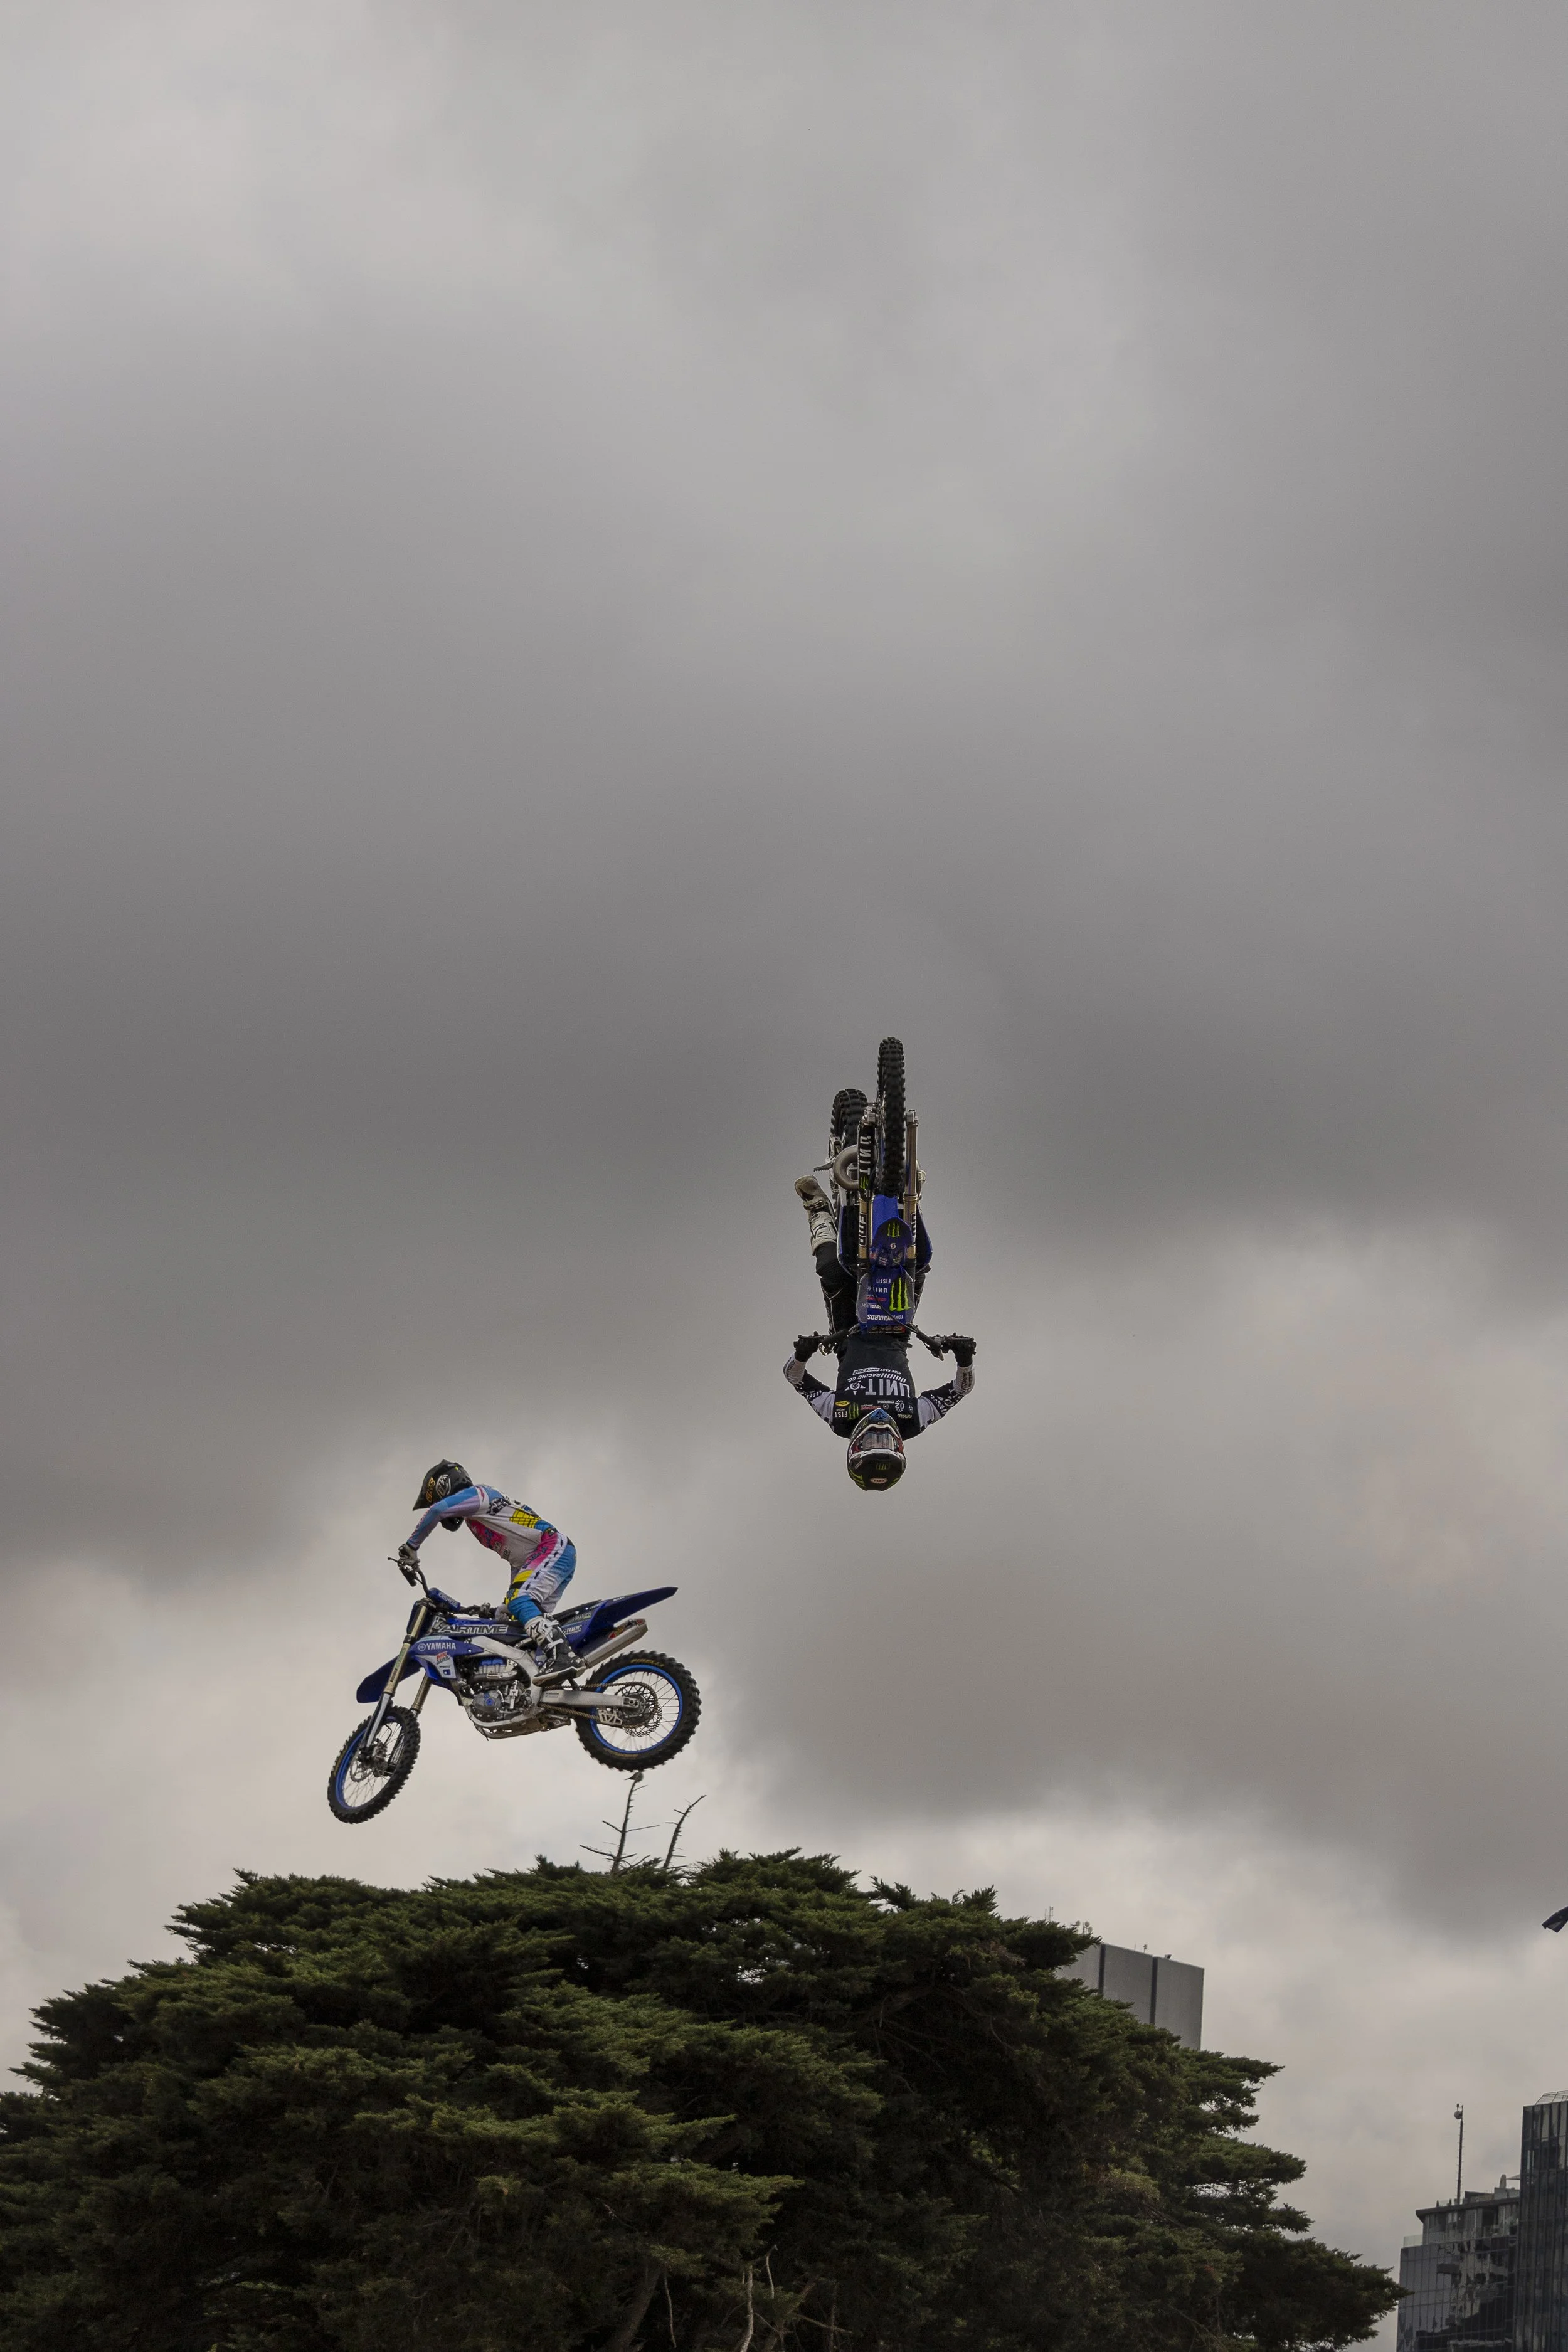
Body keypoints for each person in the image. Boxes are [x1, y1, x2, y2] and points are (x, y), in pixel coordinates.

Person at [785, 1175, 975, 1489]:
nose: (880, 1431)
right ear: (900, 1446)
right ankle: (911, 1203)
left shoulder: (839, 1419)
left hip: (848, 1328)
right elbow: (961, 1389)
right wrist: (964, 1359)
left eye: (872, 1440)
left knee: (831, 1268)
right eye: (887, 1442)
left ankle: (817, 1211)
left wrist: (802, 1354)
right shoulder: (913, 1421)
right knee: (918, 1264)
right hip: (897, 1325)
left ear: (854, 1445)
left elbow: (794, 1377)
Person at [393, 1459, 578, 1680]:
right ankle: (542, 1685)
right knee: (519, 1625)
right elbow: (519, 1560)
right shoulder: (477, 1519)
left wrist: (411, 1547)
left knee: (520, 1601)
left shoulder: (479, 1495)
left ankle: (563, 1656)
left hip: (551, 1547)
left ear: (446, 1486)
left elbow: (438, 1511)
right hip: (546, 1554)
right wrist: (507, 1604)